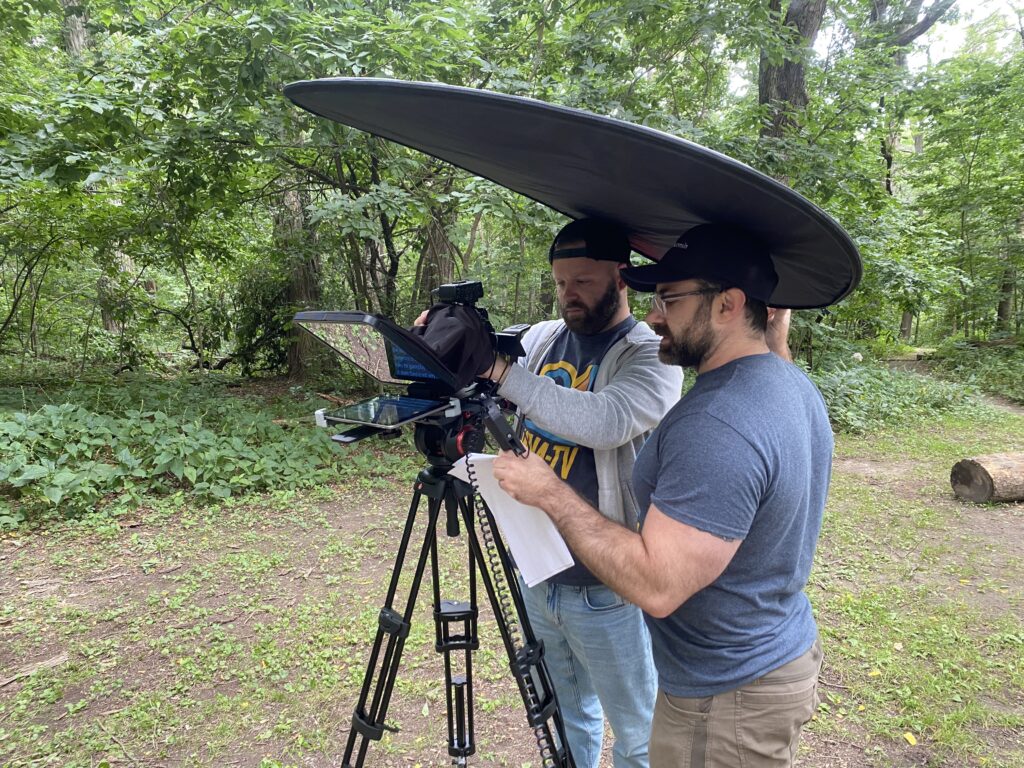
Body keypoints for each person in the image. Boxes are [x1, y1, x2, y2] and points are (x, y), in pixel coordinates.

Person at [493, 223, 831, 768]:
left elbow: (657, 584)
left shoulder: (716, 425)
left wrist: (550, 494)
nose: (654, 317)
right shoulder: (786, 381)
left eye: (670, 300)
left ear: (728, 306)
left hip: (725, 695)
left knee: (637, 738)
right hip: (760, 657)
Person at [479, 218, 683, 768]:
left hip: (604, 585)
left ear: (621, 279)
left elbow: (606, 420)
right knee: (567, 718)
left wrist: (500, 372)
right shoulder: (545, 337)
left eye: (584, 281)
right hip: (539, 570)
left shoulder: (650, 354)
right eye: (561, 281)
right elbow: (491, 365)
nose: (569, 294)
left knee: (637, 734)